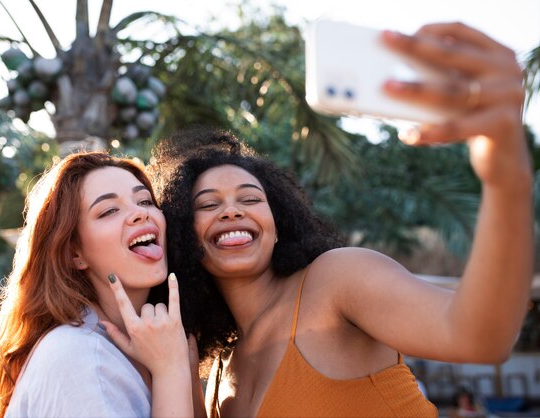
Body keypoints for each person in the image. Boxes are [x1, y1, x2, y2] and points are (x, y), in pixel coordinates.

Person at [148, 22, 533, 417]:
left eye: (250, 198)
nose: (232, 210)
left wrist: (505, 178)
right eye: (208, 205)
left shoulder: (335, 281)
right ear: (183, 236)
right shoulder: (217, 372)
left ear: (278, 223)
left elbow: (478, 337)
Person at [0, 152, 194, 418]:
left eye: (145, 201)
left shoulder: (152, 346)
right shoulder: (80, 358)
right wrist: (171, 369)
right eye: (109, 210)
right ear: (74, 254)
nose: (140, 213)